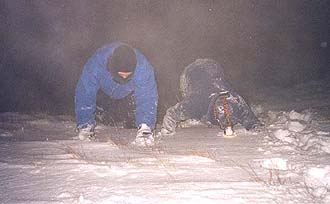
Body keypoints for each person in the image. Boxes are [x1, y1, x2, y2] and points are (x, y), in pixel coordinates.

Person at [75, 42, 158, 145]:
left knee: (128, 121)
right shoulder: (96, 64)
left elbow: (147, 97)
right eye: (121, 75)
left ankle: (136, 120)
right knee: (106, 118)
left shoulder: (143, 67)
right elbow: (85, 92)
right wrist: (84, 124)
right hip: (103, 91)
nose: (124, 78)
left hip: (128, 93)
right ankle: (91, 122)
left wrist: (146, 127)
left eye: (127, 75)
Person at [161, 58, 260, 136]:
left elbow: (248, 116)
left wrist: (253, 126)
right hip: (194, 74)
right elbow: (172, 114)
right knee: (194, 104)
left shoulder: (235, 100)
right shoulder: (199, 102)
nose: (226, 120)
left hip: (213, 75)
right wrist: (167, 130)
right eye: (222, 117)